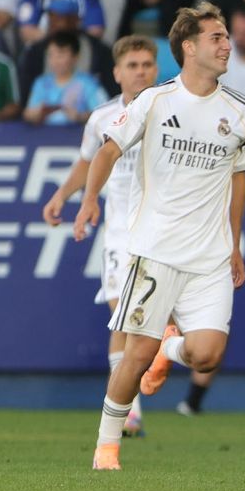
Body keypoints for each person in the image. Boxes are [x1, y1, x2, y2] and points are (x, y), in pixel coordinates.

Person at [74, 1, 245, 471]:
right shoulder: (154, 101)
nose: (226, 45)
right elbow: (107, 151)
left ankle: (168, 348)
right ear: (190, 47)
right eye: (216, 37)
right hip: (156, 253)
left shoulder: (239, 110)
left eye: (225, 36)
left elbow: (239, 178)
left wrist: (235, 243)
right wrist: (89, 200)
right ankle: (106, 447)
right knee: (134, 356)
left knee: (206, 354)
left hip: (211, 258)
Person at [42, 35, 161, 434]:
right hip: (119, 235)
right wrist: (65, 195)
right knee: (120, 317)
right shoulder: (102, 118)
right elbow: (87, 162)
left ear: (156, 69)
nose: (140, 71)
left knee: (141, 324)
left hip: (162, 233)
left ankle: (135, 395)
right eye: (133, 65)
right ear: (117, 73)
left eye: (147, 64)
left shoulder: (171, 112)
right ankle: (131, 410)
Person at [25, 29, 108, 125]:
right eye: (51, 55)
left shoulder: (88, 83)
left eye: (60, 55)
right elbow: (28, 114)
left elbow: (104, 113)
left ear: (75, 57)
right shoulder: (41, 83)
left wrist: (80, 116)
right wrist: (35, 114)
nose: (55, 61)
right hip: (45, 137)